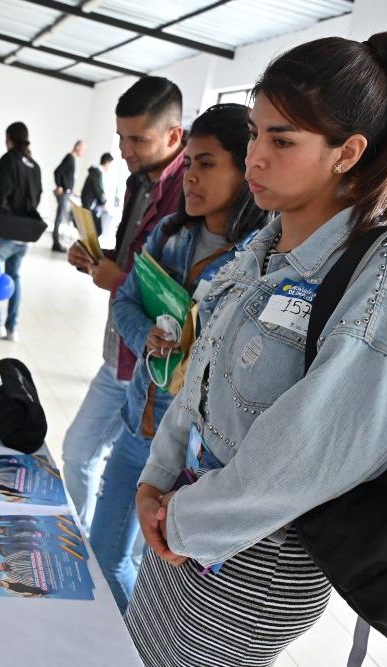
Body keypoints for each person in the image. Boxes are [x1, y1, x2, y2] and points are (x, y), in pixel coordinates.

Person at [127, 33, 387, 666]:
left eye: (282, 141)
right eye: (254, 132)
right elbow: (197, 382)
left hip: (255, 562)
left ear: (347, 153)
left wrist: (181, 519)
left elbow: (310, 450)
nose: (255, 158)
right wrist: (156, 480)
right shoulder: (258, 250)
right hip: (184, 521)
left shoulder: (378, 278)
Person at [89, 103, 268, 610]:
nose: (190, 176)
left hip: (193, 455)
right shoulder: (170, 232)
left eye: (207, 163)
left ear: (244, 166)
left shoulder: (257, 259)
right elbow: (124, 300)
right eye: (188, 162)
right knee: (103, 556)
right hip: (139, 421)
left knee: (160, 583)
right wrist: (147, 332)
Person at [61, 77, 186, 533]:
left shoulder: (187, 193)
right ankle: (77, 541)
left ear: (174, 136)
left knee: (99, 465)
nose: (127, 149)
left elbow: (176, 289)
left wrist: (121, 280)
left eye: (138, 139)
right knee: (84, 454)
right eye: (121, 138)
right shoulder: (141, 182)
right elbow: (137, 259)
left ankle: (83, 549)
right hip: (122, 351)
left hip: (152, 363)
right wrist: (100, 260)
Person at [0, 121, 42, 342]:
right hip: (25, 233)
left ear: (9, 138)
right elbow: (36, 197)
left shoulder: (9, 159)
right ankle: (12, 328)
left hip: (5, 231)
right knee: (14, 277)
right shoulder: (34, 165)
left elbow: (2, 192)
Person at [52, 140, 87, 252]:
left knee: (61, 216)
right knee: (59, 217)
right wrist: (59, 185)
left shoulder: (72, 159)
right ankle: (56, 243)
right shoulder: (69, 158)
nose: (84, 152)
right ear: (77, 147)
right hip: (64, 193)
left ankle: (57, 242)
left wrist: (71, 190)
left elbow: (66, 177)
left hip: (67, 192)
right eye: (83, 149)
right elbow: (57, 171)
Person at [80, 152, 114, 237]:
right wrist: (103, 202)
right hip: (90, 206)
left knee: (93, 231)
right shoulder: (97, 173)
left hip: (90, 205)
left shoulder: (96, 172)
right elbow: (98, 189)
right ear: (106, 163)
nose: (110, 167)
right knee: (97, 231)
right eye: (110, 164)